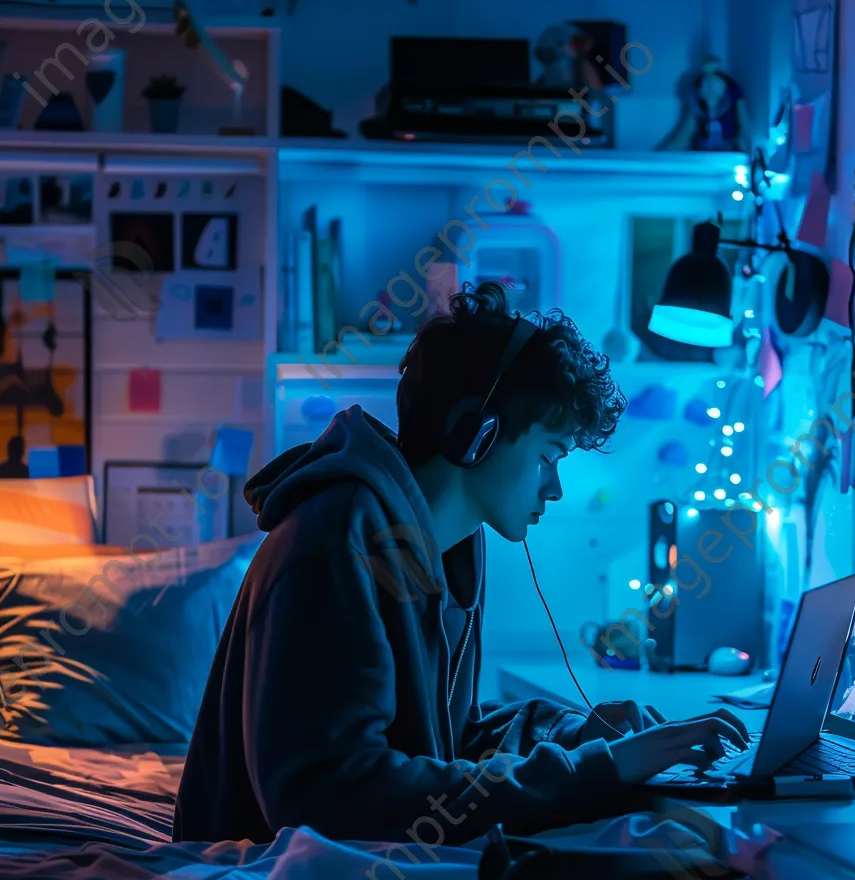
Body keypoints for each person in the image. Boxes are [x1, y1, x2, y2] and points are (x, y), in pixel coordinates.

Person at [173, 281, 748, 846]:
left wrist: (578, 736)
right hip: (264, 877)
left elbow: (451, 742)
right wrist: (593, 772)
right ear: (478, 434)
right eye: (548, 457)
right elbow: (330, 801)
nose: (554, 488)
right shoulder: (337, 542)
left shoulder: (443, 543)